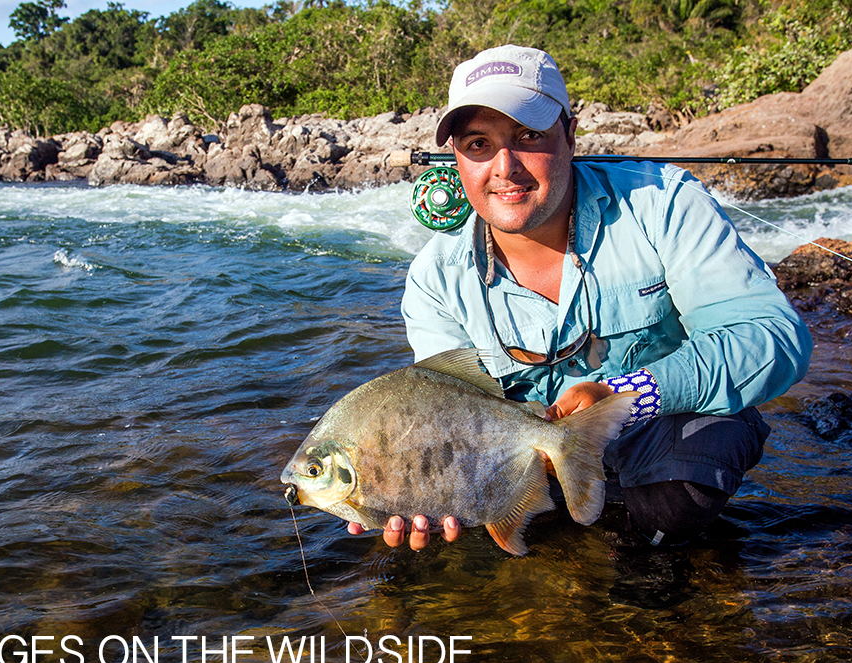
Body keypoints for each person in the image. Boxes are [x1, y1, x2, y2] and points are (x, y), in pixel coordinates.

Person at [348, 44, 812, 550]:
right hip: (531, 454)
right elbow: (440, 406)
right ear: (456, 159)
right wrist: (410, 480)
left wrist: (631, 395)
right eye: (478, 144)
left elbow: (773, 337)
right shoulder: (434, 279)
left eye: (528, 136)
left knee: (678, 495)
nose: (505, 167)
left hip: (658, 428)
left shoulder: (663, 204)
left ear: (570, 134)